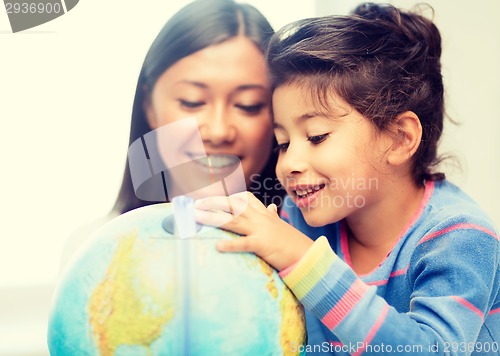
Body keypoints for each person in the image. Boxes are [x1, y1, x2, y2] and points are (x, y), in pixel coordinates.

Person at [195, 3, 500, 354]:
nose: (289, 163)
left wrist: (304, 261)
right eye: (282, 142)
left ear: (400, 139)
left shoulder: (458, 237)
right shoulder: (299, 221)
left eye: (317, 136)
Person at [62, 0, 284, 266]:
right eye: (192, 101)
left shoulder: (307, 249)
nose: (218, 130)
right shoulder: (96, 249)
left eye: (248, 105)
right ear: (149, 106)